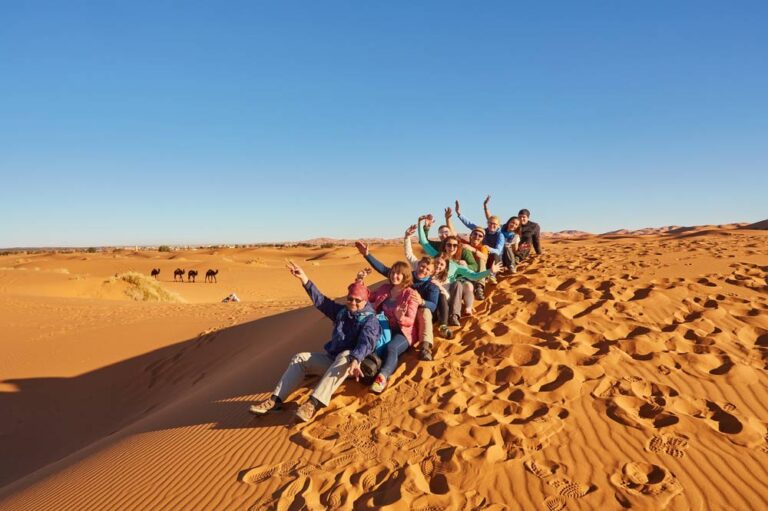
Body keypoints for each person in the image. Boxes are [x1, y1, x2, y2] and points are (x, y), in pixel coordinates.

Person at [248, 261, 381, 423]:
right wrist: (303, 278)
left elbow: (366, 342)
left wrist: (356, 358)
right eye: (350, 299)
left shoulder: (370, 320)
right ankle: (275, 401)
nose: (353, 303)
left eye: (357, 300)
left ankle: (313, 403)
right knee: (300, 358)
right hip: (332, 362)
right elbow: (321, 301)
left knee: (346, 355)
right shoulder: (342, 312)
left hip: (352, 368)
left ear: (365, 301)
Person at [356, 240, 441, 361]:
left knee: (425, 311)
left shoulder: (432, 286)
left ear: (432, 272)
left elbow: (433, 306)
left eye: (428, 269)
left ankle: (425, 347)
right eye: (422, 266)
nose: (424, 270)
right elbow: (384, 269)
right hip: (400, 311)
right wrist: (367, 254)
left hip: (417, 314)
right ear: (418, 265)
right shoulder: (406, 276)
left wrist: (422, 301)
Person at [418, 217, 502, 326]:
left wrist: (490, 271)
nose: (452, 247)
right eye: (449, 245)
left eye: (455, 245)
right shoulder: (436, 256)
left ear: (458, 247)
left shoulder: (456, 265)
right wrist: (420, 223)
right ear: (445, 245)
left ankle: (454, 316)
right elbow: (424, 242)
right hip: (433, 291)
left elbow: (474, 276)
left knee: (458, 284)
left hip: (447, 293)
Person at [367, 261, 421, 392]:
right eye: (392, 272)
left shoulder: (410, 294)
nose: (394, 276)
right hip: (384, 327)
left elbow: (410, 320)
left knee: (391, 348)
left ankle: (382, 377)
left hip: (403, 332)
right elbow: (369, 296)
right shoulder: (385, 288)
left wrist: (400, 317)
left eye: (398, 273)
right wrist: (360, 281)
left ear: (405, 276)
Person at [404, 225, 453, 345]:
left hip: (432, 308)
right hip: (414, 304)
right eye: (436, 263)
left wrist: (439, 287)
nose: (438, 267)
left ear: (445, 268)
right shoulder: (422, 268)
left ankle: (443, 325)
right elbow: (409, 254)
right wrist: (407, 237)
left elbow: (447, 298)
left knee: (441, 295)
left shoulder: (443, 280)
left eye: (441, 265)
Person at [454, 199, 505, 284]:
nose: (492, 225)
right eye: (490, 223)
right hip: (483, 254)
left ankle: (492, 276)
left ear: (498, 225)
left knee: (495, 254)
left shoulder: (500, 235)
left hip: (495, 258)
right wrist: (459, 214)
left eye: (494, 224)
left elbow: (498, 250)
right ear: (487, 223)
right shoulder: (483, 231)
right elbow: (469, 224)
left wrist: (488, 248)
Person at [483, 195, 522, 271]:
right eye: (512, 222)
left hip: (507, 257)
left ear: (518, 227)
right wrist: (485, 206)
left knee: (507, 247)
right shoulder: (500, 228)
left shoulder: (515, 237)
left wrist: (519, 249)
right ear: (508, 222)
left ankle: (511, 266)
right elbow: (490, 218)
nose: (513, 225)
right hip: (497, 255)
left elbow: (515, 251)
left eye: (516, 224)